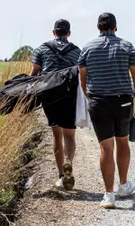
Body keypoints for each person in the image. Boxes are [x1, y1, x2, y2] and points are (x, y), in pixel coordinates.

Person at [78, 12, 135, 209]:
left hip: (98, 100)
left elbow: (82, 74)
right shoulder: (126, 46)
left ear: (98, 27)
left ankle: (108, 195)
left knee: (105, 148)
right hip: (123, 100)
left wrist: (87, 94)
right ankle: (123, 185)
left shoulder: (88, 47)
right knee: (123, 141)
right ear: (116, 27)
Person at [30, 19, 81, 190]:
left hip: (49, 94)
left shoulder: (42, 49)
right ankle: (69, 161)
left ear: (54, 32)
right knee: (69, 135)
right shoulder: (76, 51)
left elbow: (34, 74)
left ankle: (61, 175)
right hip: (69, 95)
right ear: (69, 33)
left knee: (56, 134)